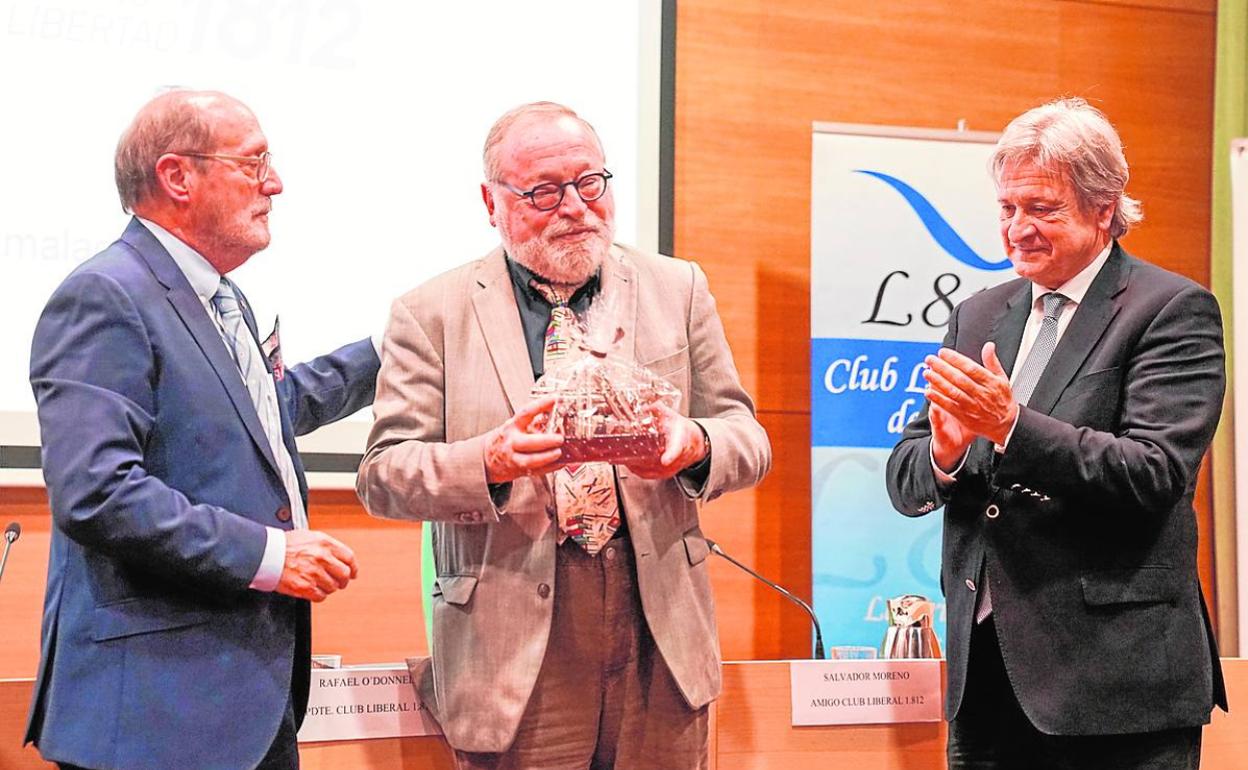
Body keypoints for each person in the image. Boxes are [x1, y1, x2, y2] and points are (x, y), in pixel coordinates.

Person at [356, 101, 771, 769]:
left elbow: (746, 436)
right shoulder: (430, 313)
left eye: (591, 184)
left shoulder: (677, 287)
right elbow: (383, 476)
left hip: (658, 638)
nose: (575, 207)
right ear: (492, 203)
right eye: (544, 191)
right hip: (515, 651)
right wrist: (487, 460)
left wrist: (692, 445)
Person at [24, 89, 380, 770]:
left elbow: (267, 411)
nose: (275, 183)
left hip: (247, 703)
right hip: (157, 716)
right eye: (253, 164)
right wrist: (270, 556)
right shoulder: (105, 295)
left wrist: (392, 347)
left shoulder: (218, 294)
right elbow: (97, 490)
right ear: (177, 176)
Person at [885, 97, 1226, 769]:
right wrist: (948, 454)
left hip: (1115, 688)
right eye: (1008, 209)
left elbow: (1153, 472)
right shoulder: (979, 315)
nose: (1018, 229)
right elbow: (907, 475)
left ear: (1105, 208)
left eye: (1042, 208)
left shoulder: (1170, 310)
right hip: (986, 680)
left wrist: (1010, 426)